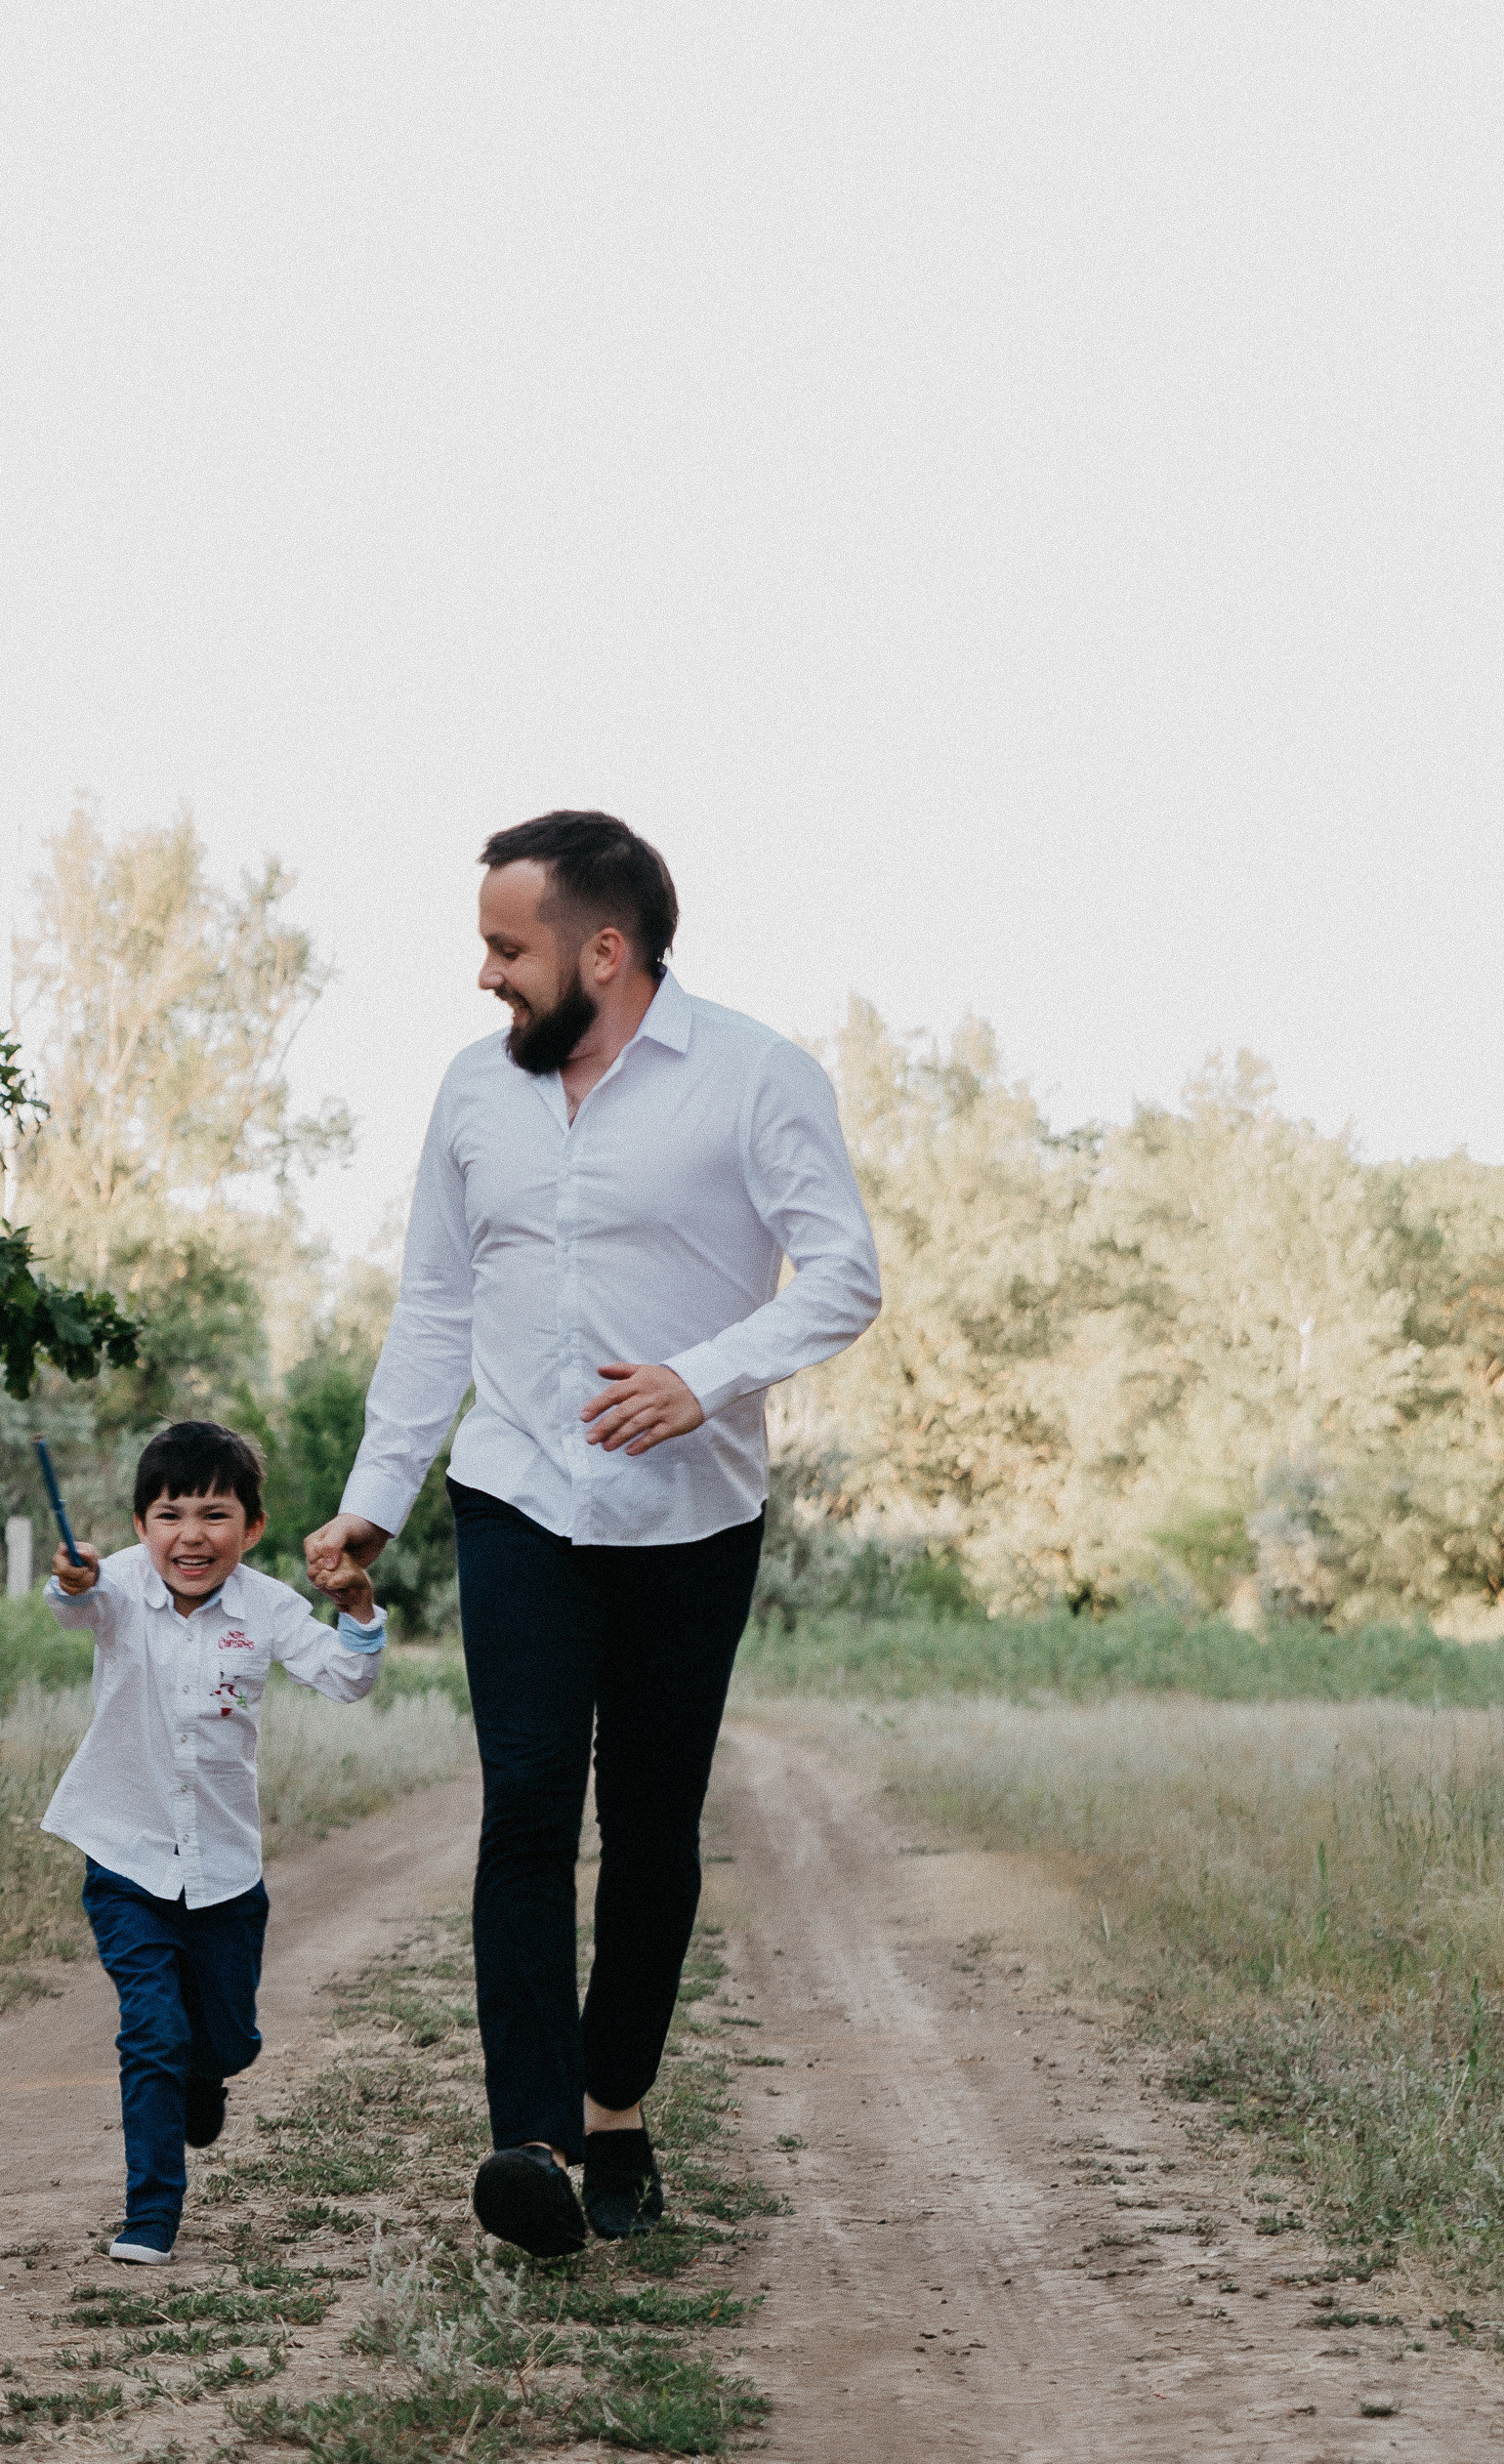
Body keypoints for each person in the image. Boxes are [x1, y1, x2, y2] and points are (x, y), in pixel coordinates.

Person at [305, 811, 879, 2258]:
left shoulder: (754, 1077)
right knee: (527, 1806)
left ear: (603, 951)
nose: (486, 975)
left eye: (509, 947)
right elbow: (435, 1304)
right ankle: (532, 2143)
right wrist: (374, 1495)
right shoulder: (473, 1096)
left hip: (692, 1513)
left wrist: (709, 1377)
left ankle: (616, 2110)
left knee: (652, 1830)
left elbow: (845, 1279)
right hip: (515, 1495)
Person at [43, 1417, 387, 2264]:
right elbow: (71, 1604)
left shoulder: (268, 1606)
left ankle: (207, 2076)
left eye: (213, 1514)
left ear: (252, 1527)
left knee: (226, 2041)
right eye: (169, 1515)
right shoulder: (116, 1584)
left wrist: (359, 1607)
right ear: (139, 1527)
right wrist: (71, 1577)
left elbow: (345, 1678)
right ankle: (149, 2217)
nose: (191, 1536)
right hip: (124, 1856)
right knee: (152, 2031)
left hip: (226, 1870)